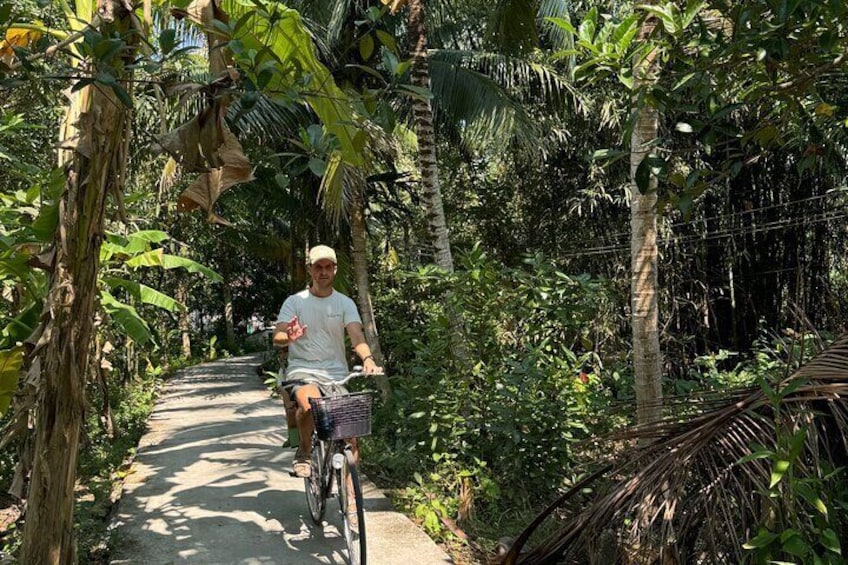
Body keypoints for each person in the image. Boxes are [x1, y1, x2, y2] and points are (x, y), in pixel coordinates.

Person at [273, 245, 382, 477]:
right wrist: (289, 336)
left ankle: (351, 493)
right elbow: (278, 337)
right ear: (310, 270)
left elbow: (356, 335)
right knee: (309, 404)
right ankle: (304, 452)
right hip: (302, 372)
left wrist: (368, 359)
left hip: (335, 376)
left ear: (335, 270)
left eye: (328, 267)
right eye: (318, 267)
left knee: (351, 434)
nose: (323, 272)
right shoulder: (295, 302)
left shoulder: (344, 303)